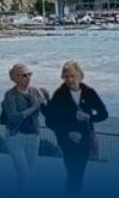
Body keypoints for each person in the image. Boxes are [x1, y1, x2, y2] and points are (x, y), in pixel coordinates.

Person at [45, 60, 108, 195]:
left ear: (80, 75)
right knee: (73, 172)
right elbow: (50, 121)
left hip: (85, 140)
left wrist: (88, 116)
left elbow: (104, 114)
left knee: (78, 174)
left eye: (72, 76)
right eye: (66, 76)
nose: (69, 80)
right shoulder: (59, 94)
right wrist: (68, 132)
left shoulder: (89, 92)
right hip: (66, 140)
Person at [2, 63, 49, 192]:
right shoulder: (10, 95)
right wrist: (35, 106)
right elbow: (13, 117)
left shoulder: (35, 91)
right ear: (15, 78)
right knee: (24, 173)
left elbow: (46, 110)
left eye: (29, 74)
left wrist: (46, 99)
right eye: (24, 75)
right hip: (15, 137)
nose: (28, 77)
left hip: (33, 137)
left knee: (29, 173)